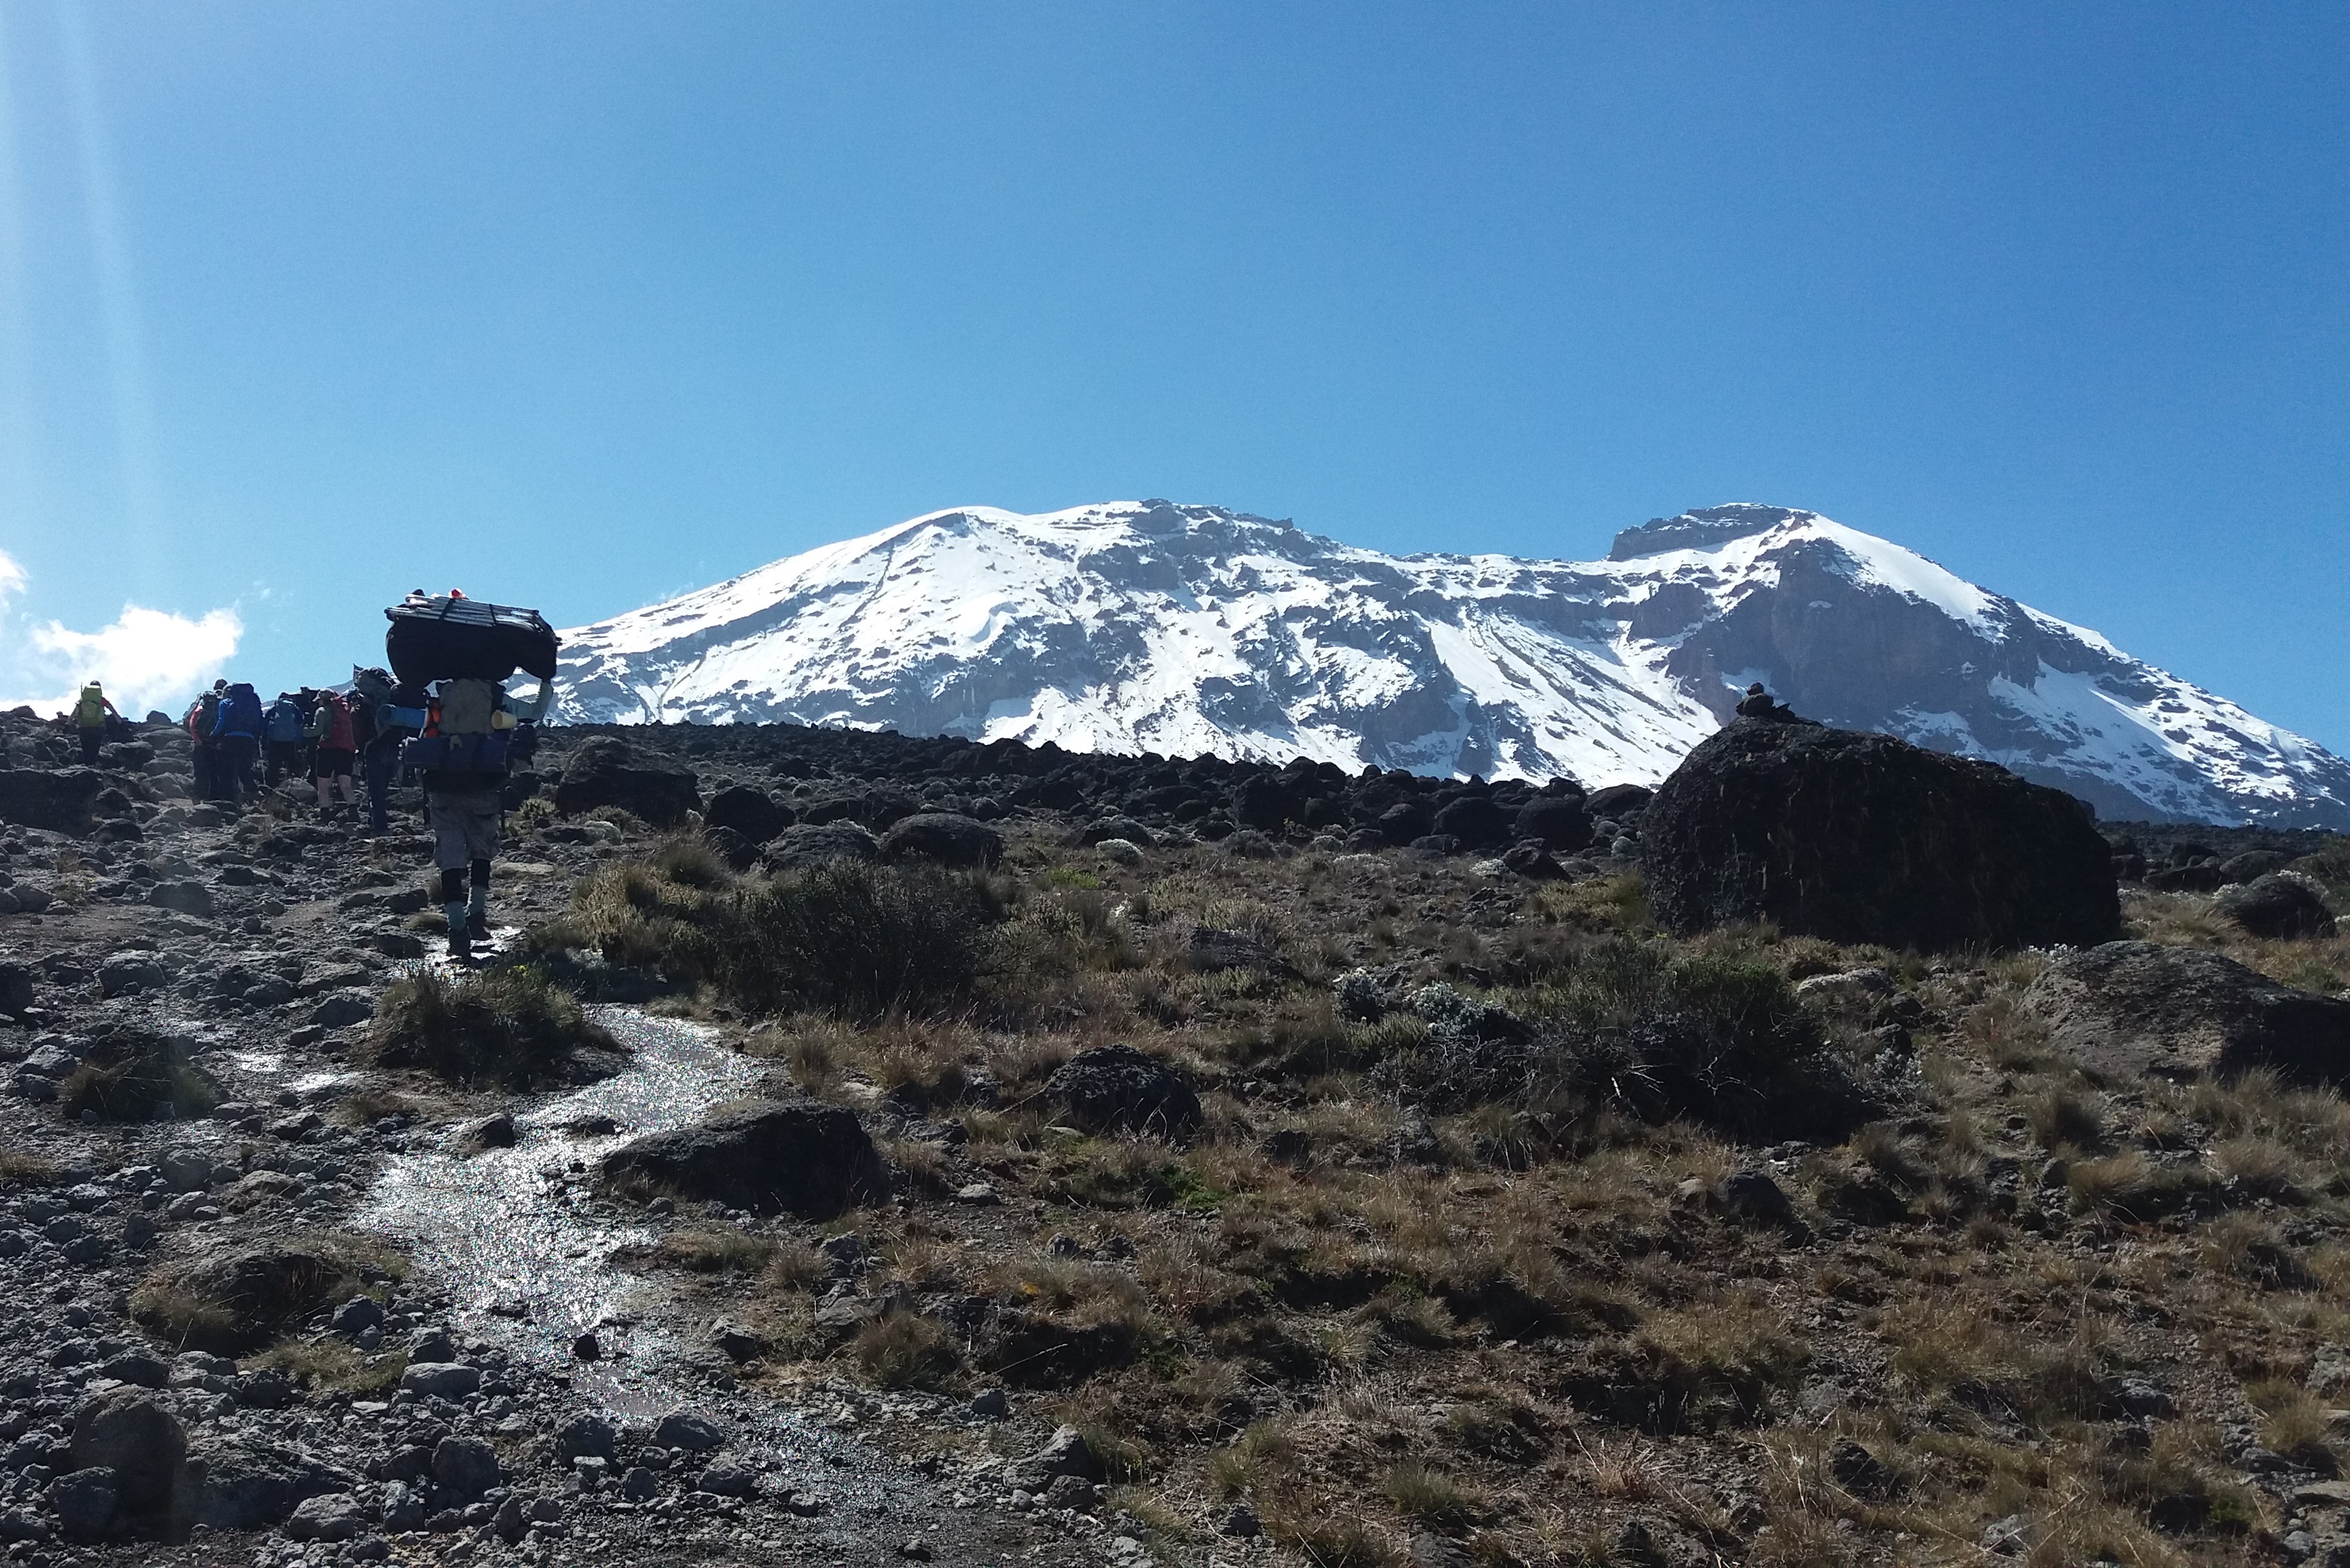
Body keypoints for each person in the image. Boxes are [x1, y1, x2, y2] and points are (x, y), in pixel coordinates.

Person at [383, 670, 555, 960]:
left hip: (443, 790)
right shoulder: (499, 701)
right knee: (482, 853)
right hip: (484, 789)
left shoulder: (441, 701)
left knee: (449, 859)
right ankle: (476, 915)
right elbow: (536, 712)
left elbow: (405, 719)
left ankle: (457, 929)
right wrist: (545, 681)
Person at [210, 680, 265, 808]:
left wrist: (214, 735)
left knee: (227, 770)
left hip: (230, 739)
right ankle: (255, 793)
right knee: (244, 770)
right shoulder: (252, 703)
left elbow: (221, 721)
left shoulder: (225, 703)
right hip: (249, 740)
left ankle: (230, 802)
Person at [306, 688, 360, 811]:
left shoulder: (322, 711)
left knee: (324, 787)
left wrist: (303, 731)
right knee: (346, 786)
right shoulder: (346, 710)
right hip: (346, 752)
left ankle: (325, 814)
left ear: (322, 700)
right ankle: (353, 812)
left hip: (327, 751)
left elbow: (318, 731)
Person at [185, 681, 226, 802]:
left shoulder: (203, 705)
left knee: (200, 772)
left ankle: (198, 797)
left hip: (200, 744)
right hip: (215, 744)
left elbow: (192, 723)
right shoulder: (222, 705)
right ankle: (214, 799)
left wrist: (197, 739)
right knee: (215, 772)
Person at [262, 692, 308, 787]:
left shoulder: (274, 709)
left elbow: (265, 724)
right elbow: (300, 722)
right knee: (292, 765)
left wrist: (264, 743)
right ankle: (295, 787)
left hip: (275, 741)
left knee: (274, 766)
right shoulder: (294, 709)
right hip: (290, 741)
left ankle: (272, 788)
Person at [71, 682, 120, 764]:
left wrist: (68, 722)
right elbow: (112, 710)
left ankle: (87, 766)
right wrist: (120, 721)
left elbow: (74, 712)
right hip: (98, 728)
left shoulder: (83, 700)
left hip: (83, 727)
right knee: (94, 749)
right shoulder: (101, 700)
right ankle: (92, 767)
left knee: (86, 749)